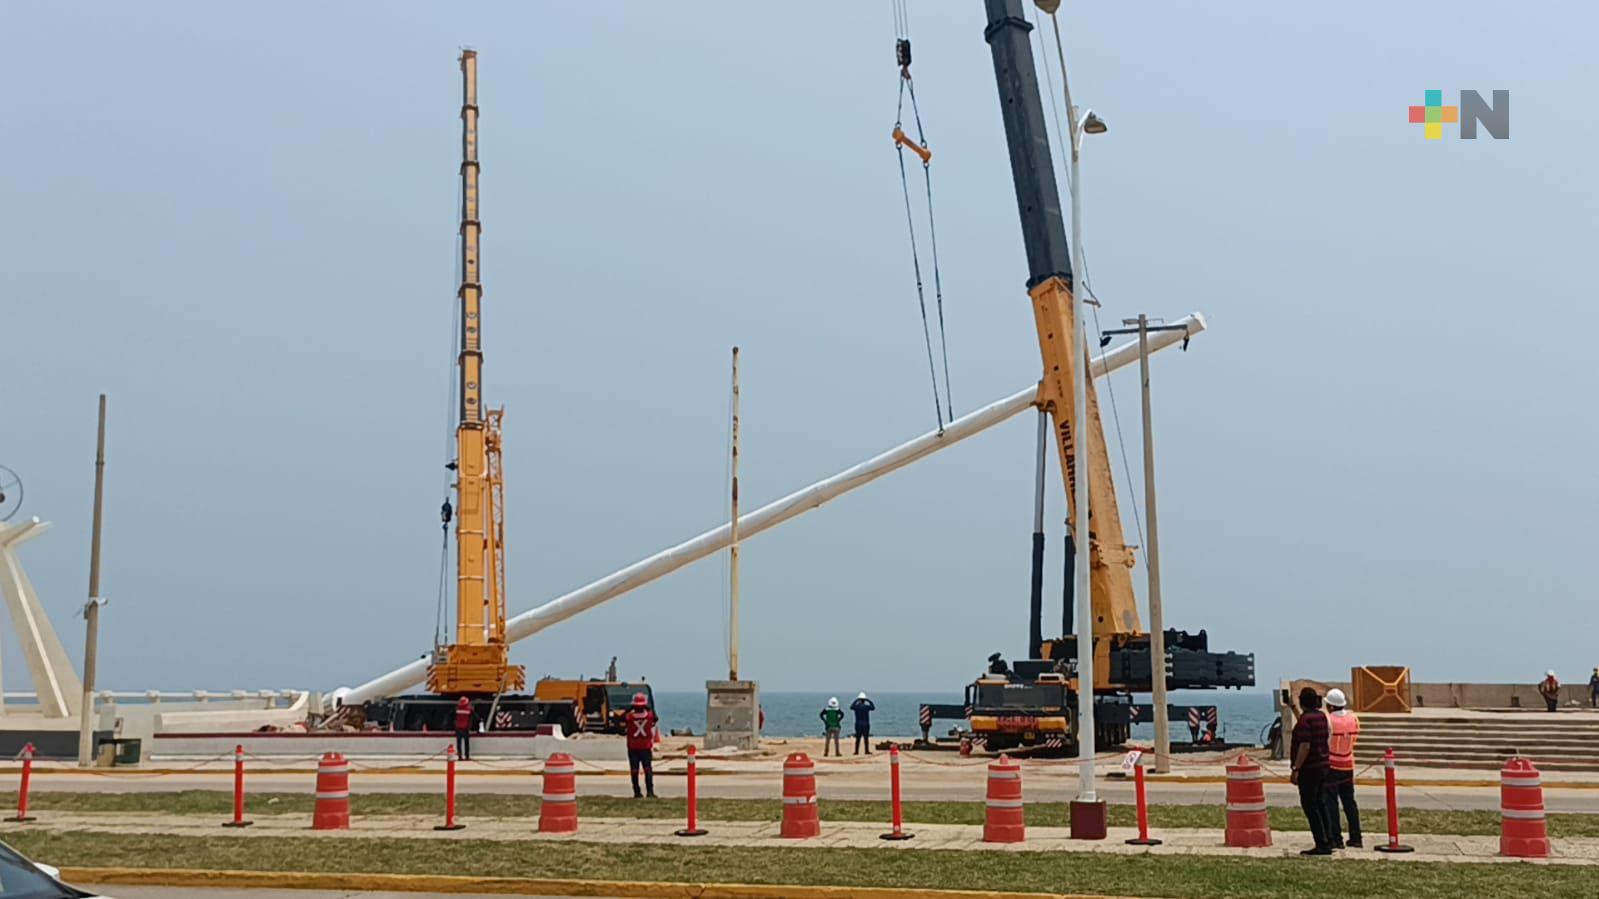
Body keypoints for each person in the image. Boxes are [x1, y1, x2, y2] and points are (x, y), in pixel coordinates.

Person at [1289, 686, 1333, 856]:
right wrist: (1294, 709)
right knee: (1321, 804)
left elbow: (1305, 745)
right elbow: (1305, 724)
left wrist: (1296, 768)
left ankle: (1321, 842)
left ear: (1302, 701)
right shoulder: (1320, 717)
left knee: (1310, 806)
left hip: (1309, 769)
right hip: (1323, 765)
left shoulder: (1306, 721)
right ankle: (1328, 839)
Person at [1322, 688, 1362, 849]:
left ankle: (1336, 838)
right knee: (1349, 803)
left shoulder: (1328, 720)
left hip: (1332, 763)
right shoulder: (1354, 718)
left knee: (1331, 803)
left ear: (1330, 706)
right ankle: (1356, 836)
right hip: (1348, 763)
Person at [623, 692, 658, 798]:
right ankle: (650, 791)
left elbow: (620, 717)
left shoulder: (629, 717)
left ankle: (637, 791)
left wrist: (629, 708)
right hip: (646, 747)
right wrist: (648, 708)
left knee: (634, 771)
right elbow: (656, 718)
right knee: (647, 769)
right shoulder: (649, 716)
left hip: (632, 748)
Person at [453, 696, 473, 761]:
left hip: (458, 728)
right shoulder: (469, 709)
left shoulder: (457, 709)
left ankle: (460, 756)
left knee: (459, 743)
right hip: (465, 728)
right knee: (466, 743)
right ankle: (467, 756)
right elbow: (472, 716)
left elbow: (454, 717)